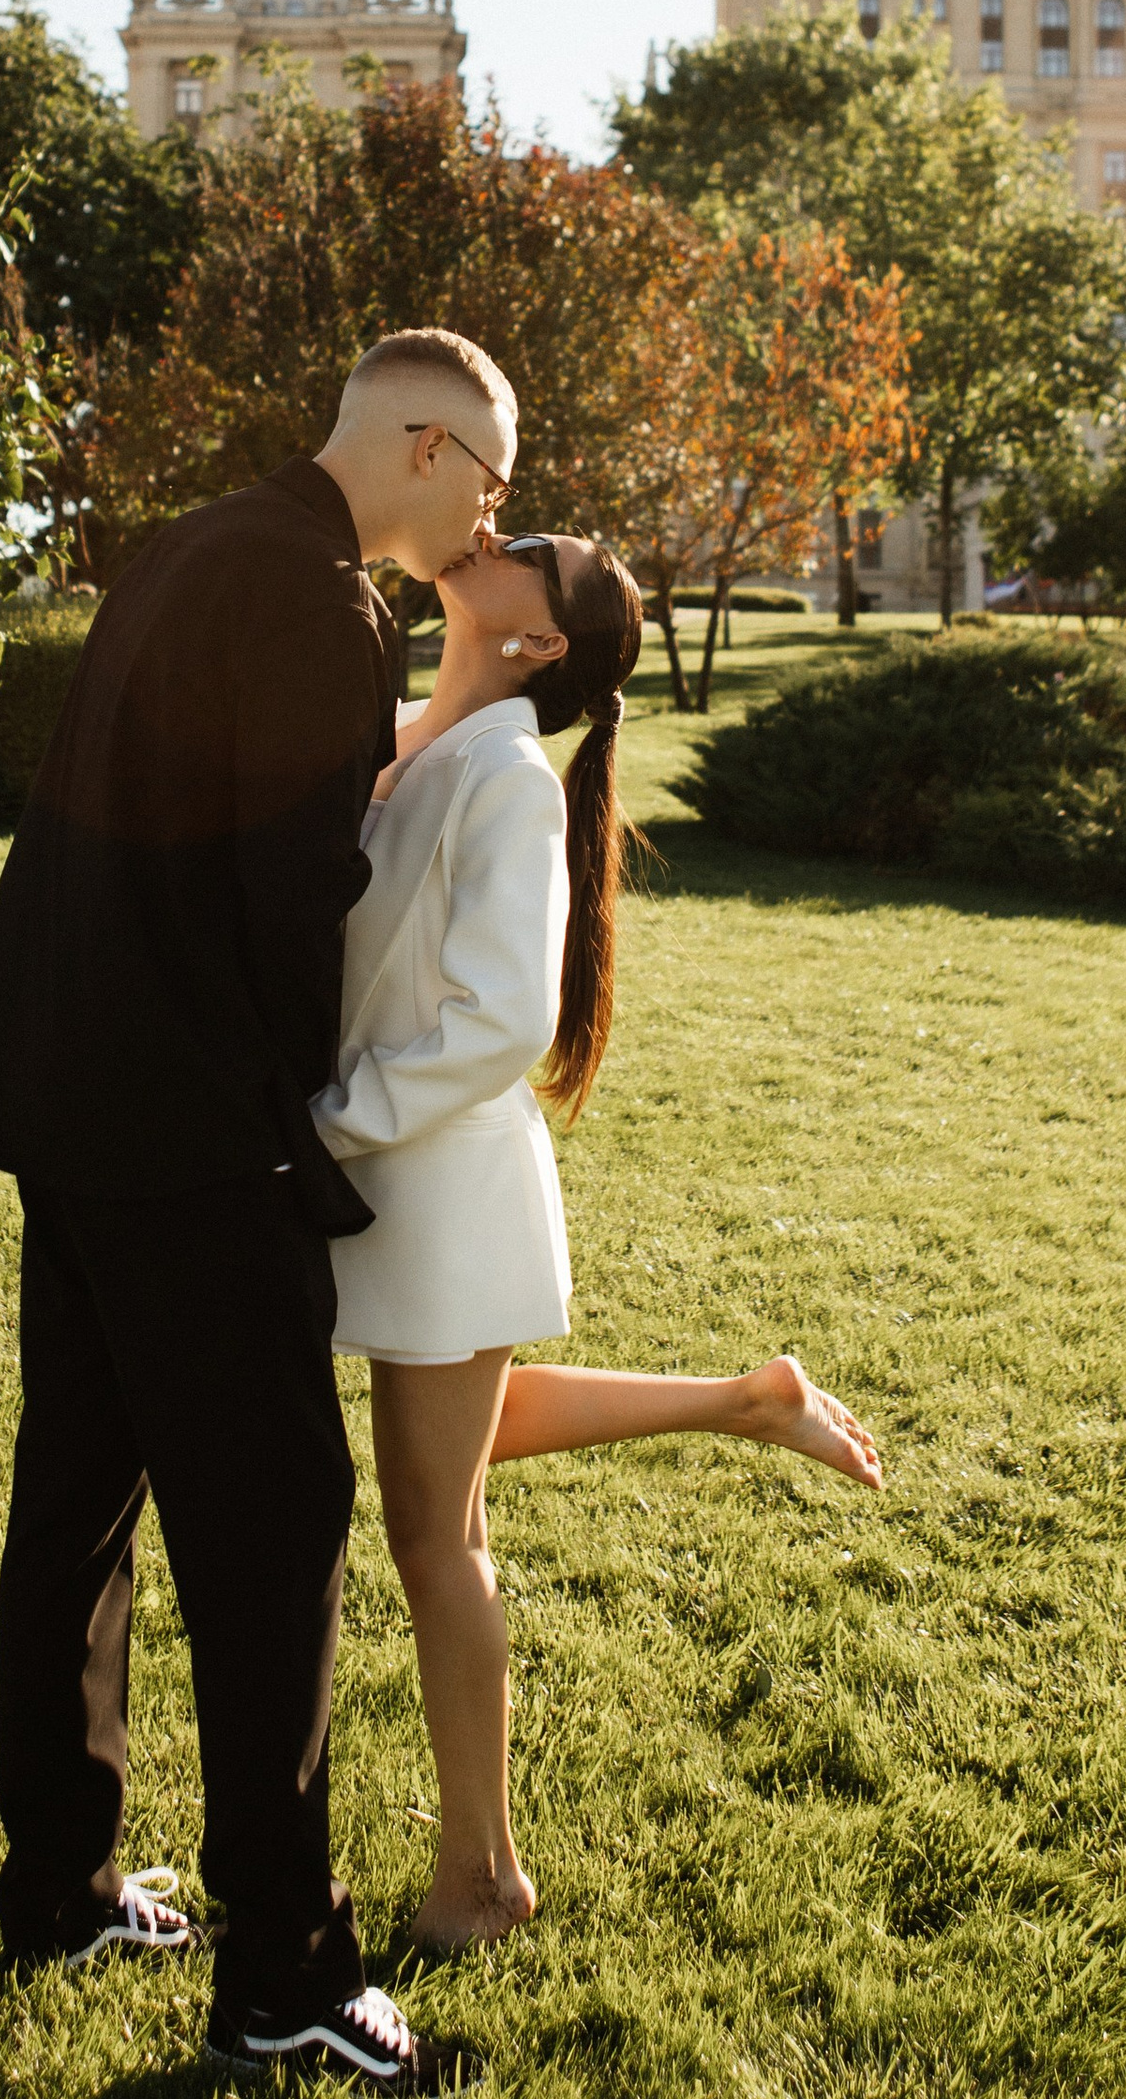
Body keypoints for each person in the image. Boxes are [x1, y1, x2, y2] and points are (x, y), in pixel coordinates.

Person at [0, 327, 521, 2099]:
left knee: (79, 1502)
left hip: (66, 1102)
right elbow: (292, 907)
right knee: (276, 1544)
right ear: (421, 447)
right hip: (191, 1138)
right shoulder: (327, 606)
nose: (490, 517)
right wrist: (302, 1136)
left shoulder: (184, 543)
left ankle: (64, 1883)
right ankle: (287, 1979)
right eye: (487, 482)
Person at [314, 526, 882, 1953]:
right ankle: (751, 1399)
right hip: (393, 1167)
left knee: (435, 1538)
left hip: (436, 1180)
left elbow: (505, 1016)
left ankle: (481, 1880)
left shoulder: (505, 778)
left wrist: (329, 1117)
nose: (494, 534)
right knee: (461, 1449)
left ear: (542, 641)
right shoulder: (410, 733)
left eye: (533, 549)